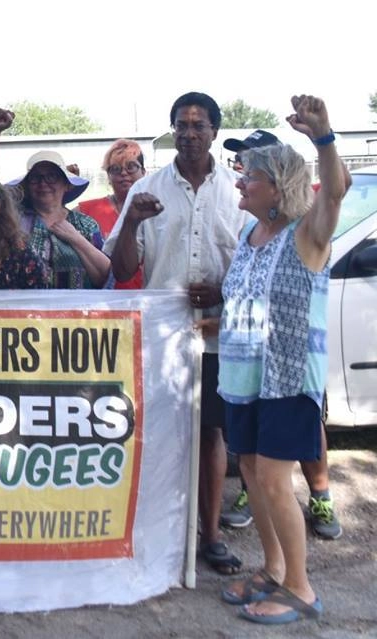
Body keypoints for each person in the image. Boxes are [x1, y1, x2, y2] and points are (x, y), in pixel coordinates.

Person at [210, 94, 346, 625]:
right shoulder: (250, 234)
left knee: (272, 480)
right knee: (251, 472)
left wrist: (324, 137)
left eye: (250, 176)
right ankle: (272, 569)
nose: (239, 182)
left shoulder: (307, 234)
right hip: (244, 378)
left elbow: (334, 190)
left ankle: (300, 588)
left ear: (277, 185)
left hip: (287, 381)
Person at [104, 92, 249, 575]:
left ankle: (210, 536)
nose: (188, 134)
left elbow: (253, 261)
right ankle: (158, 533)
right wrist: (132, 223)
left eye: (198, 125)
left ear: (214, 132)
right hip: (163, 337)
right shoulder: (147, 188)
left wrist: (223, 290)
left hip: (215, 332)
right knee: (160, 435)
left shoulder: (238, 191)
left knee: (210, 434)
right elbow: (122, 267)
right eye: (181, 126)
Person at [15, 151, 110, 289]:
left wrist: (75, 238)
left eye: (52, 176)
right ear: (27, 186)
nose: (43, 183)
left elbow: (104, 276)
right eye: (35, 177)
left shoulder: (85, 224)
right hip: (27, 303)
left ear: (67, 184)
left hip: (76, 303)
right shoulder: (14, 223)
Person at [77, 139, 145, 289]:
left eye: (131, 167)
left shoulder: (154, 211)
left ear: (144, 172)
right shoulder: (86, 210)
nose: (124, 173)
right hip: (103, 299)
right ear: (108, 176)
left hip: (147, 297)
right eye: (115, 169)